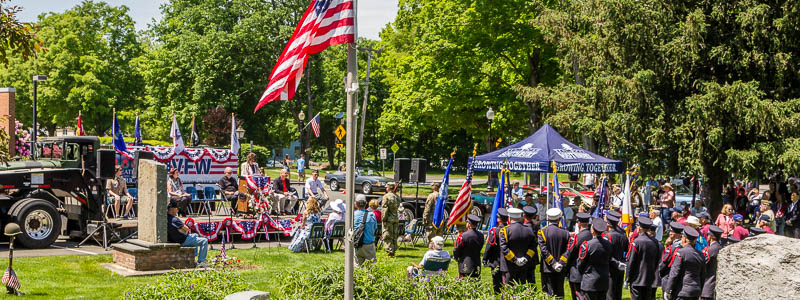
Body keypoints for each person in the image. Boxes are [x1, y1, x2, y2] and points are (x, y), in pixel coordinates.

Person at [576, 219, 624, 300]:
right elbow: (609, 259)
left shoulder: (587, 245)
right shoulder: (608, 244)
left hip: (589, 281)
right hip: (603, 280)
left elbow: (580, 264)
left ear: (592, 230)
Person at [665, 227, 706, 300]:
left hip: (682, 291)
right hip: (695, 290)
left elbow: (674, 273)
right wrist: (701, 290)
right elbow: (703, 275)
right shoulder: (701, 255)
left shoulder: (681, 253)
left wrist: (668, 290)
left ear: (684, 239)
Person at [626, 217, 662, 300]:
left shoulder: (637, 242)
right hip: (649, 279)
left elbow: (631, 261)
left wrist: (628, 278)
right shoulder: (655, 242)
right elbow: (657, 260)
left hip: (637, 279)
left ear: (639, 227)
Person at [499, 208, 537, 285]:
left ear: (509, 217)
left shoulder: (505, 230)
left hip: (509, 265)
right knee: (522, 289)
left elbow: (504, 247)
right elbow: (533, 247)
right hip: (524, 265)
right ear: (520, 217)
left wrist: (514, 259)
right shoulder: (529, 230)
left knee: (509, 290)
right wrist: (525, 258)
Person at [537, 208, 570, 298]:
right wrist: (560, 263)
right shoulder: (565, 233)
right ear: (559, 219)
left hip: (547, 268)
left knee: (547, 293)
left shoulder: (542, 232)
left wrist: (553, 263)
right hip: (561, 268)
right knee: (559, 292)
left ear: (548, 219)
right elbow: (568, 250)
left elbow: (543, 250)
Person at [167, 200, 208, 267]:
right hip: (182, 240)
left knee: (195, 236)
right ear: (173, 209)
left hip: (174, 239)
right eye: (177, 209)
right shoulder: (175, 219)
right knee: (204, 240)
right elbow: (186, 229)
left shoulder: (166, 218)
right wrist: (181, 230)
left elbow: (182, 230)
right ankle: (201, 261)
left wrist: (180, 230)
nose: (177, 211)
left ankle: (194, 260)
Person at [567, 212, 593, 300]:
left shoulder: (578, 237)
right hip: (589, 271)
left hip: (576, 271)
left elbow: (570, 252)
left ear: (578, 223)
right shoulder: (591, 235)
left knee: (578, 296)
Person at [483, 208, 509, 294]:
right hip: (508, 259)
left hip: (496, 260)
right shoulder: (509, 230)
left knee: (497, 283)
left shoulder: (495, 231)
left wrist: (485, 259)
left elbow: (489, 246)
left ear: (498, 219)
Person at [604, 214, 628, 300]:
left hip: (610, 266)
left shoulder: (607, 236)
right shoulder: (623, 236)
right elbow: (627, 249)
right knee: (618, 292)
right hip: (620, 265)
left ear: (608, 224)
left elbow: (606, 253)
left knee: (609, 293)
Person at [659, 222, 684, 299]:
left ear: (672, 234)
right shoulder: (684, 246)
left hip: (669, 279)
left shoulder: (672, 248)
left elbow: (663, 264)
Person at [701, 225, 724, 300]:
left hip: (708, 286)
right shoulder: (721, 248)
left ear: (710, 237)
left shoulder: (710, 250)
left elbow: (702, 266)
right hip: (717, 286)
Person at [354, 195, 377, 266]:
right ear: (366, 203)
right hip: (369, 245)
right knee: (371, 268)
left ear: (356, 203)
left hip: (357, 245)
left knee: (357, 268)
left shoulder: (353, 215)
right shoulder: (371, 215)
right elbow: (375, 229)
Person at [381, 182, 401, 257]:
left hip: (388, 219)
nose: (386, 188)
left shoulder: (386, 197)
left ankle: (390, 251)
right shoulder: (397, 197)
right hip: (395, 218)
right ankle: (394, 249)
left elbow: (384, 209)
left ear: (389, 188)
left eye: (387, 187)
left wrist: (384, 219)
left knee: (387, 235)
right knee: (394, 235)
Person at [522, 206, 540, 283]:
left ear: (523, 215)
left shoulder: (522, 227)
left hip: (522, 253)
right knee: (531, 279)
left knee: (522, 278)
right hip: (533, 254)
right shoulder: (536, 227)